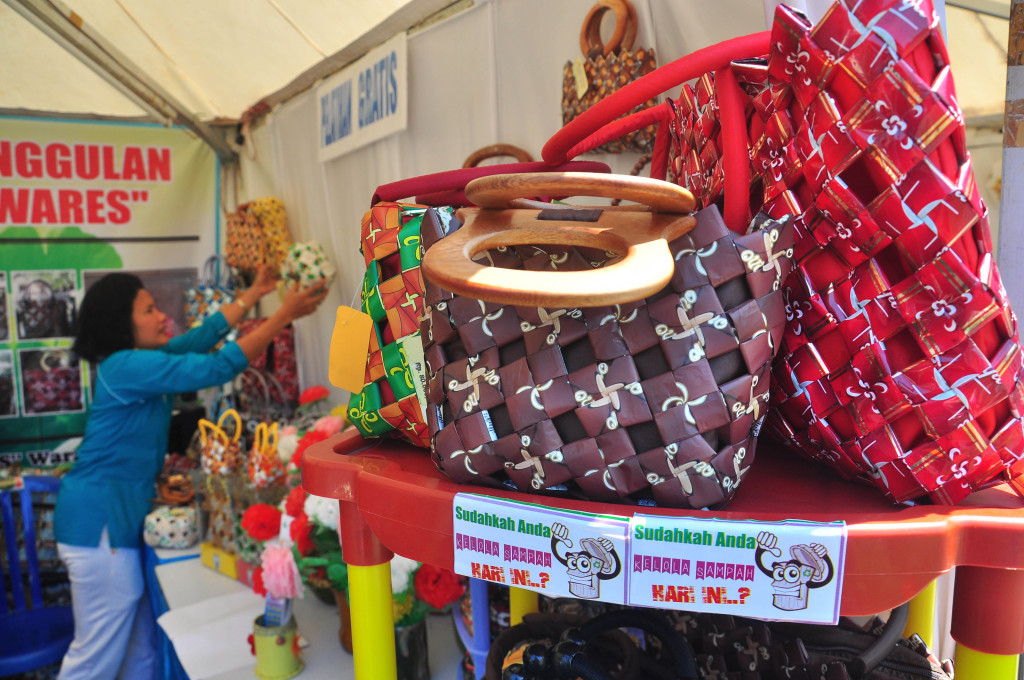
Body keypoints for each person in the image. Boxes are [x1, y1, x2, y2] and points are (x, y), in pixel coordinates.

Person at [53, 265, 328, 680]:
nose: (162, 316)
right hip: (99, 525)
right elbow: (217, 367)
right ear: (122, 323)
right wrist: (282, 316)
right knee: (93, 661)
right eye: (149, 310)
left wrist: (254, 294)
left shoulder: (140, 360)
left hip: (109, 523)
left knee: (141, 651)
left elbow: (201, 338)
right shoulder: (126, 366)